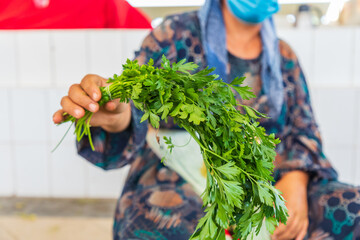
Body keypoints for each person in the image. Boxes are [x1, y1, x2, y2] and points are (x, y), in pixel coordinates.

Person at [53, 0, 360, 239]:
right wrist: (116, 115)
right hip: (176, 174)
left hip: (265, 179)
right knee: (157, 222)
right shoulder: (173, 36)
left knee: (350, 208)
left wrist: (296, 180)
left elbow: (305, 131)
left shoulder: (283, 56)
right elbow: (135, 106)